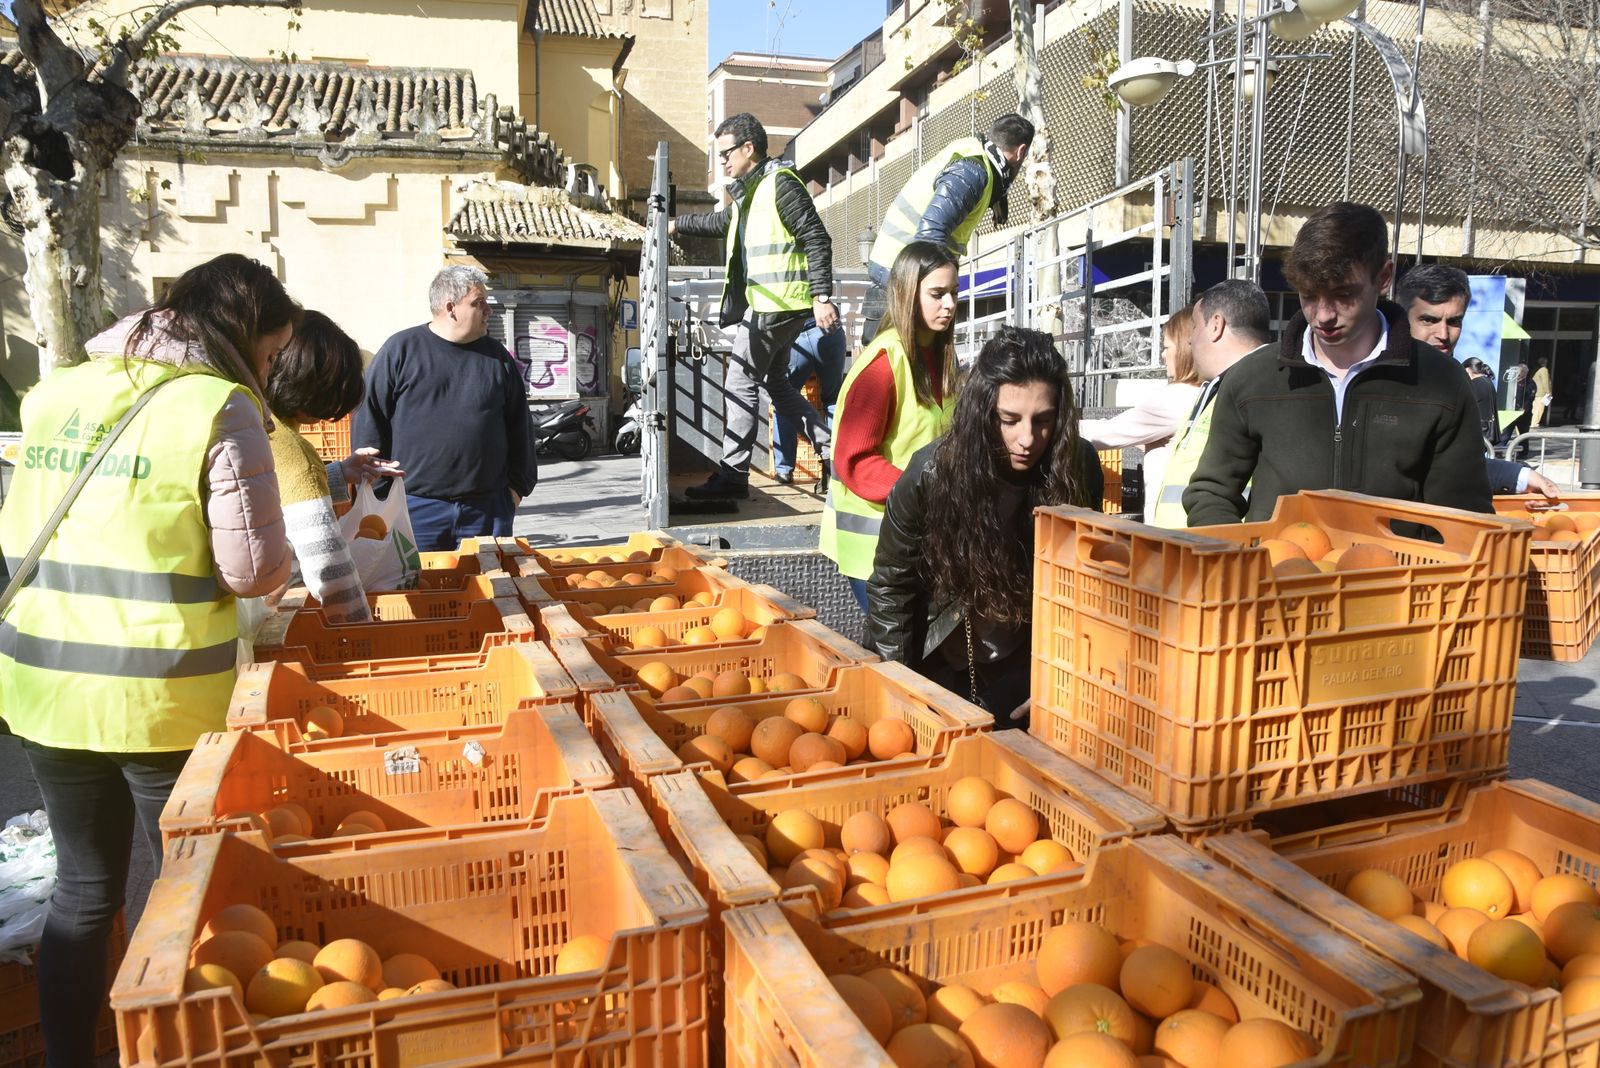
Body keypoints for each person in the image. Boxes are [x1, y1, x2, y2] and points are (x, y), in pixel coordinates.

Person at [0, 254, 296, 1066]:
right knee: (190, 893)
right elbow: (252, 571)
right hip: (160, 693)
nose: (269, 369)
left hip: (46, 681)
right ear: (245, 331)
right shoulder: (215, 405)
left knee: (82, 891)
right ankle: (190, 1051)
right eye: (272, 352)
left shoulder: (58, 390)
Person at [1183, 202, 1492, 525]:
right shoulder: (1251, 377)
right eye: (1308, 295)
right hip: (1277, 558)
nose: (1324, 315)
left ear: (1384, 278)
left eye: (1343, 294)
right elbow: (1211, 492)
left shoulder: (1442, 381)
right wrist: (1234, 550)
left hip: (1399, 560)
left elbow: (1464, 515)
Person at [866, 327, 1102, 721]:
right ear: (983, 413)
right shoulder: (931, 474)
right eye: (1009, 420)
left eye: (1043, 420)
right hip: (936, 662)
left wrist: (1063, 674)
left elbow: (1085, 589)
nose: (1027, 438)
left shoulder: (1078, 467)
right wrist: (902, 688)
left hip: (1026, 668)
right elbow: (892, 586)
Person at [670, 112, 836, 499]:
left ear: (749, 148)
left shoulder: (780, 184)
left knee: (739, 381)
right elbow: (718, 223)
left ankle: (733, 475)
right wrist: (676, 225)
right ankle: (832, 453)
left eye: (726, 153)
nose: (722, 162)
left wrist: (821, 296)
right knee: (777, 384)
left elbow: (816, 237)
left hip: (776, 306)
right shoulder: (751, 194)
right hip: (775, 306)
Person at [354, 265, 538, 552]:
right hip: (416, 509)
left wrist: (516, 491)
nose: (489, 310)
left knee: (491, 580)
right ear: (450, 308)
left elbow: (520, 427)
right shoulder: (400, 350)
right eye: (479, 303)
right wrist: (383, 496)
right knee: (421, 580)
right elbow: (370, 421)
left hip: (488, 510)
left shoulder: (497, 358)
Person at [821, 242, 962, 612]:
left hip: (915, 543)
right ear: (907, 294)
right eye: (937, 294)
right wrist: (929, 491)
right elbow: (854, 461)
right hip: (875, 552)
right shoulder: (884, 363)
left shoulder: (939, 359)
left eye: (954, 292)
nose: (949, 304)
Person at [266, 311, 409, 620]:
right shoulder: (290, 448)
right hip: (277, 609)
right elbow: (330, 570)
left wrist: (339, 474)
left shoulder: (259, 424)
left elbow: (276, 496)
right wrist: (362, 633)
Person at [860, 114, 1035, 345]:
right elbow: (930, 234)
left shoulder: (973, 156)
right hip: (904, 275)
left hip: (898, 269)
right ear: (1021, 152)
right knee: (906, 359)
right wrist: (932, 296)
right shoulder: (974, 172)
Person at [1393, 265, 1560, 497]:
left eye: (1454, 321)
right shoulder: (1370, 374)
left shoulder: (1455, 380)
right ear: (1402, 318)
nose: (1443, 334)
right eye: (1429, 320)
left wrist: (1519, 477)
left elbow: (1455, 464)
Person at [1150, 279, 1274, 528]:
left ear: (1216, 325)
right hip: (1186, 545)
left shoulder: (1265, 390)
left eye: (1195, 327)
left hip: (1221, 546)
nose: (1189, 341)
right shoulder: (1214, 387)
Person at [1078, 302, 1203, 521]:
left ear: (1185, 350)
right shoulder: (1205, 394)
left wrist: (1054, 424)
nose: (1163, 355)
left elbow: (1104, 435)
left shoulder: (1175, 398)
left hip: (1169, 526)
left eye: (1167, 348)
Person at [772, 318, 846, 485]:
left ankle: (784, 470)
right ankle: (834, 467)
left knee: (784, 399)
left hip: (794, 333)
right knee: (833, 400)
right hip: (828, 329)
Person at [1531, 357, 1553, 428]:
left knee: (1535, 408)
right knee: (1539, 409)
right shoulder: (1544, 370)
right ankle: (1534, 423)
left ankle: (1533, 422)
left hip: (1536, 392)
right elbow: (1545, 382)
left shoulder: (1537, 370)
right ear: (1545, 362)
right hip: (1541, 393)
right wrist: (1548, 392)